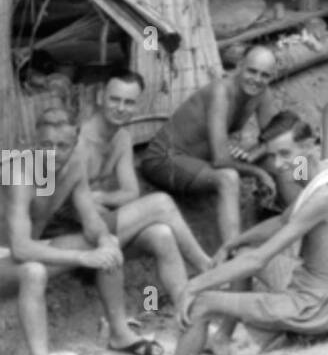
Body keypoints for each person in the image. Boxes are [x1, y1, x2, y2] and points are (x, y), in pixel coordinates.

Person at [0, 108, 163, 355]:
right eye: (46, 145)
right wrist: (81, 258)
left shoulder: (76, 163)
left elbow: (91, 219)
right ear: (34, 143)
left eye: (62, 145)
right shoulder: (19, 172)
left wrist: (103, 240)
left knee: (107, 243)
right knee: (34, 271)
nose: (53, 152)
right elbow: (21, 250)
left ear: (75, 143)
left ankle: (120, 332)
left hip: (26, 248)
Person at [168, 112, 328, 355]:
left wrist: (193, 285)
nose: (279, 163)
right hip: (316, 285)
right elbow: (285, 220)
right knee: (243, 250)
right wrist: (232, 244)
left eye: (285, 153)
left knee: (202, 303)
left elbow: (258, 261)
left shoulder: (326, 195)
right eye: (274, 155)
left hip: (319, 306)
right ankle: (222, 338)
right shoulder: (317, 169)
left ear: (309, 146)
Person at [41, 71, 213, 303]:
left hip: (98, 229)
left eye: (128, 102)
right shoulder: (78, 143)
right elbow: (69, 208)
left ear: (136, 106)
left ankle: (186, 309)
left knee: (161, 234)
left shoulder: (121, 138)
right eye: (115, 99)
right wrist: (107, 211)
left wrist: (100, 196)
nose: (121, 108)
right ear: (101, 97)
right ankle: (208, 268)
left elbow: (131, 192)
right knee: (161, 204)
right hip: (65, 240)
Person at [139, 45, 280, 245]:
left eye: (264, 75)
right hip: (165, 158)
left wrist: (257, 153)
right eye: (252, 71)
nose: (257, 79)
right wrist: (259, 173)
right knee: (228, 178)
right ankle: (233, 256)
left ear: (272, 76)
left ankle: (294, 217)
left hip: (198, 161)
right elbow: (221, 160)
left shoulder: (262, 94)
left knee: (287, 159)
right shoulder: (221, 92)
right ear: (239, 65)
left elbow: (274, 137)